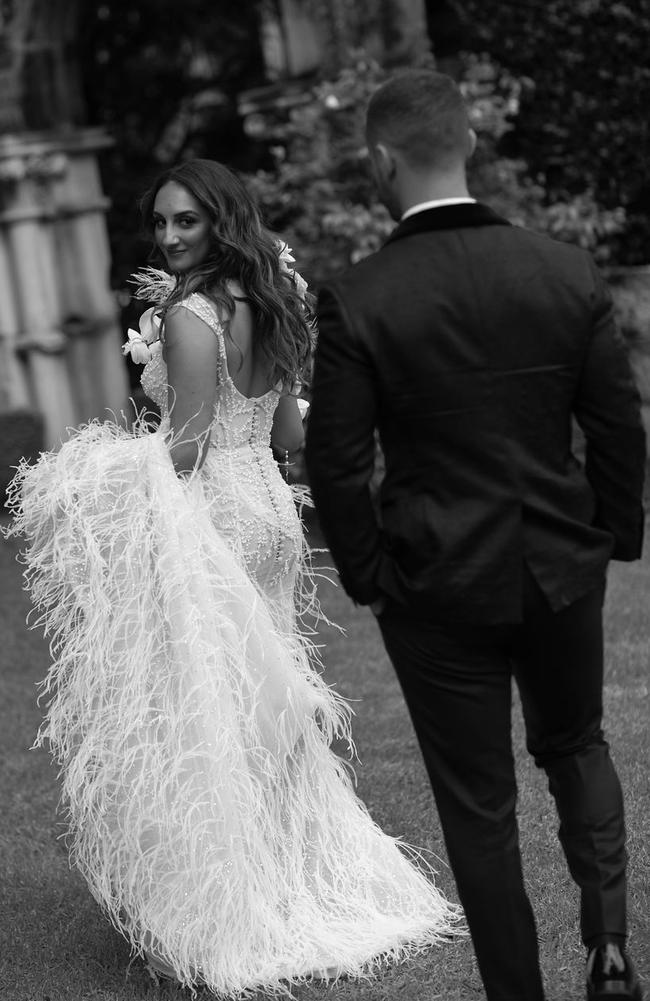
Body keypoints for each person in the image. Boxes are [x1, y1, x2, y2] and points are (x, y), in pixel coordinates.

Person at [4, 159, 461, 995]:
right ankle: (283, 876)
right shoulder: (271, 302)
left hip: (216, 513)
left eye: (187, 222)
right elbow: (287, 429)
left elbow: (181, 449)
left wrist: (90, 473)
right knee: (270, 702)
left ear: (221, 222)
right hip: (274, 515)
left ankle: (235, 901)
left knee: (214, 708)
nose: (171, 237)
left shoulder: (189, 317)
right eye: (163, 223)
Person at [305, 70, 646, 1001]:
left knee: (479, 805)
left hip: (436, 579)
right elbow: (617, 424)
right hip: (557, 568)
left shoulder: (363, 295)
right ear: (470, 146)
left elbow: (336, 463)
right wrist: (613, 533)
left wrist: (371, 575)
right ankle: (611, 947)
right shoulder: (563, 268)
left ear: (380, 160)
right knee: (576, 741)